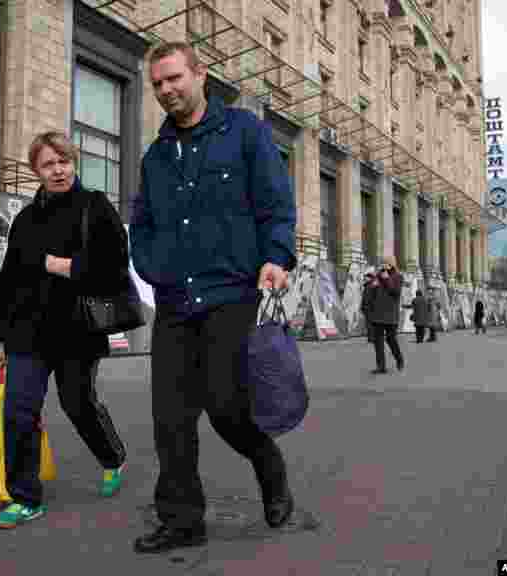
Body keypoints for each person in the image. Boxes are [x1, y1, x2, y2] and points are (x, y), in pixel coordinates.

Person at [130, 41, 298, 554]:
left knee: (226, 408)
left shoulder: (245, 132)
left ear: (200, 75)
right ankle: (182, 520)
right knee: (170, 418)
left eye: (174, 78)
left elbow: (275, 202)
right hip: (176, 303)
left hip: (231, 295)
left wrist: (276, 256)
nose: (166, 90)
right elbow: (143, 223)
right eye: (157, 83)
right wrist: (153, 268)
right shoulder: (156, 156)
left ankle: (269, 466)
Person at [0, 131, 128, 530]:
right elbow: (9, 280)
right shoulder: (25, 220)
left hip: (78, 330)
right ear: (36, 170)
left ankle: (112, 456)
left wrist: (62, 266)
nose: (58, 170)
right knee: (19, 410)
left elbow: (116, 265)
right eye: (48, 164)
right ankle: (25, 497)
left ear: (74, 163)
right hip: (27, 332)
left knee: (77, 403)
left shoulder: (95, 207)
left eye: (64, 161)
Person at [366, 256, 405, 374]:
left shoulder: (398, 276)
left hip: (390, 315)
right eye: (382, 263)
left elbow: (395, 292)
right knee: (378, 341)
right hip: (378, 314)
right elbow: (371, 292)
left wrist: (387, 279)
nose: (384, 265)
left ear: (392, 264)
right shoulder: (377, 276)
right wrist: (371, 285)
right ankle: (381, 366)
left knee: (391, 339)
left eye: (386, 263)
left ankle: (399, 359)